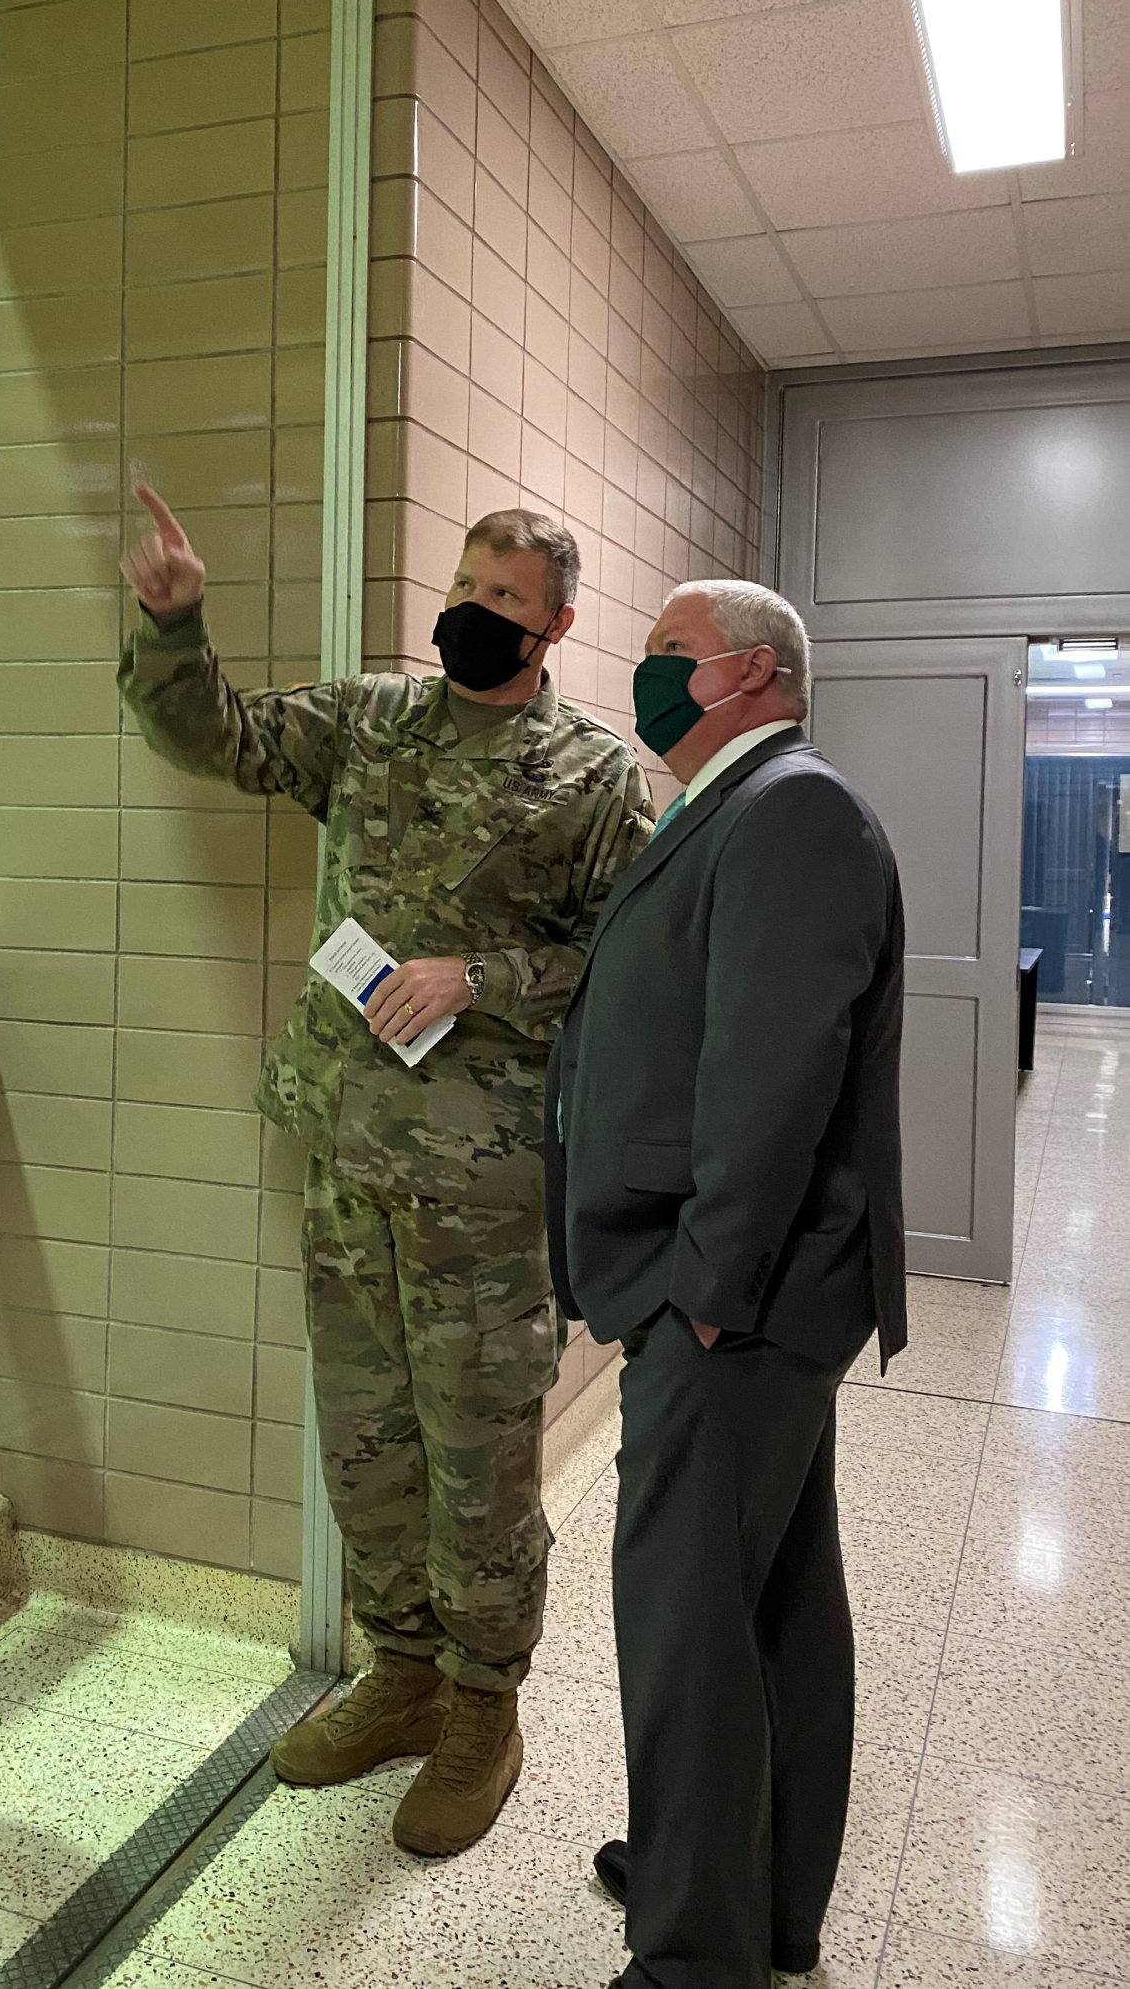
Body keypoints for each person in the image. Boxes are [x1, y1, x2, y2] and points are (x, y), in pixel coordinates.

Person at [119, 488, 652, 1856]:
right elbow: (214, 738)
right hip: (348, 1148)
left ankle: (484, 1705)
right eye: (466, 586)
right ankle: (399, 1676)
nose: (472, 613)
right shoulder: (372, 721)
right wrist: (174, 624)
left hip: (481, 1182)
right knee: (364, 1441)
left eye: (505, 602)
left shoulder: (592, 778)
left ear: (556, 628)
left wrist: (483, 978)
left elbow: (636, 957)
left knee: (476, 1453)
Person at [544, 579, 905, 1988]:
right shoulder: (734, 805)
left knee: (688, 1620)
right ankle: (751, 1885)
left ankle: (695, 1951)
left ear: (749, 673)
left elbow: (772, 1077)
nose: (639, 678)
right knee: (763, 1601)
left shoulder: (793, 812)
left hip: (734, 1302)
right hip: (741, 1295)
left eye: (663, 658)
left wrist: (703, 1288)